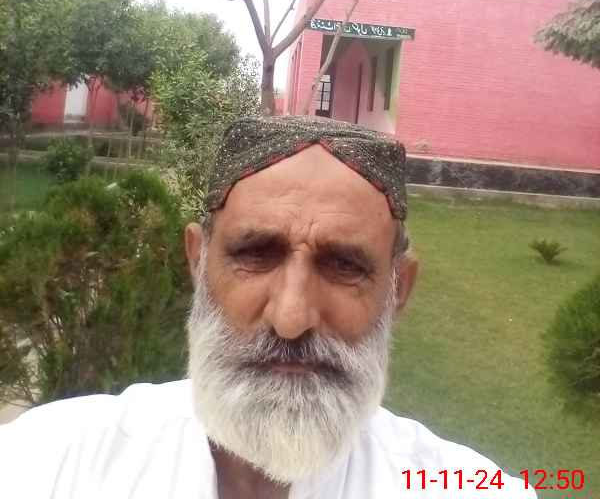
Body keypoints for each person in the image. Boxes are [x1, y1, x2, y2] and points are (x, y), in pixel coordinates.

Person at [0, 116, 535, 498]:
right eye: (255, 255)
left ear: (398, 290)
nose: (291, 317)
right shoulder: (48, 461)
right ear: (197, 261)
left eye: (344, 265)